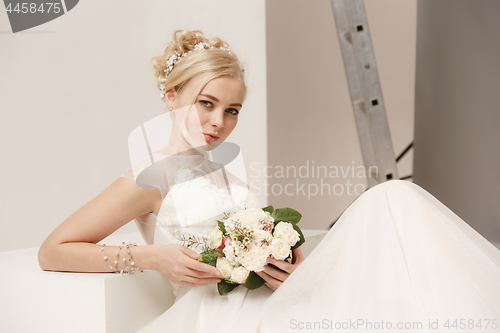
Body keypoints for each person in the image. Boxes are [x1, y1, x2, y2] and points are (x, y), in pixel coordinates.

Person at [38, 30, 500, 333]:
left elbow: (249, 246)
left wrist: (286, 262)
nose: (218, 122)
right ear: (171, 95)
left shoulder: (219, 168)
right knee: (391, 202)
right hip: (222, 314)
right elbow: (54, 249)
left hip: (271, 300)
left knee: (395, 207)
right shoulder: (151, 175)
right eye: (206, 103)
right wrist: (154, 257)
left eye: (232, 110)